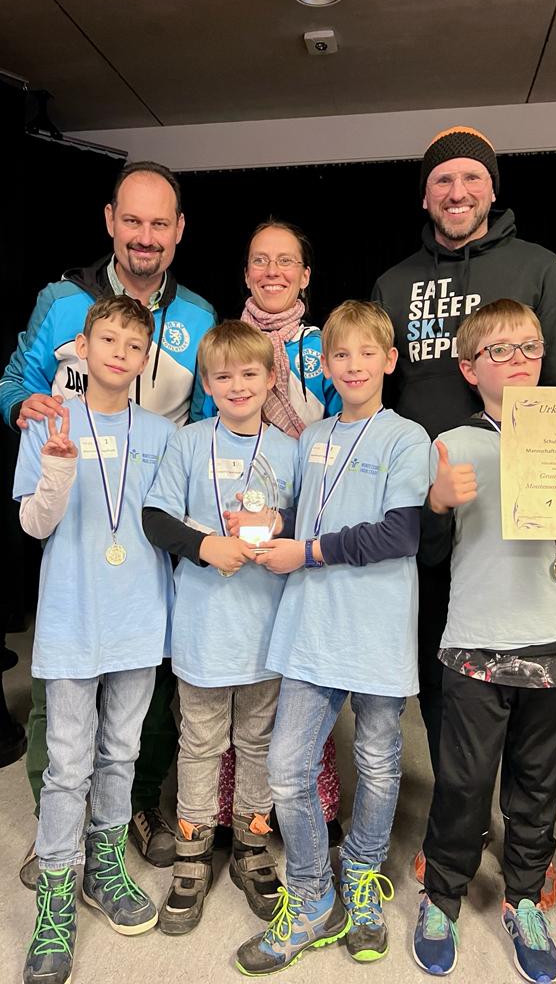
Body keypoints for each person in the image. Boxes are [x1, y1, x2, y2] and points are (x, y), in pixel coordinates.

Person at [411, 300, 556, 982]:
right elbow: (428, 556)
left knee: (540, 783)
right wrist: (435, 505)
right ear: (468, 367)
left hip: (554, 641)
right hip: (474, 645)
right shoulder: (452, 445)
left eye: (529, 348)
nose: (517, 360)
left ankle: (522, 895)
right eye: (500, 351)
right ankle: (443, 896)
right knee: (462, 780)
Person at [0, 161, 216, 883]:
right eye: (133, 220)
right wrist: (22, 413)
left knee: (140, 697)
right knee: (62, 699)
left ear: (179, 231)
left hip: (149, 525)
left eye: (160, 223)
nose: (145, 236)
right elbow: (16, 382)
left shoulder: (198, 318)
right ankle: (52, 830)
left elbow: (209, 420)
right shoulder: (63, 302)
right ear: (110, 221)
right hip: (75, 517)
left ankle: (124, 820)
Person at [372, 126, 556, 778]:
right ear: (425, 196)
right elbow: (375, 396)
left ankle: (527, 823)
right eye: (442, 180)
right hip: (431, 499)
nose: (456, 191)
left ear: (492, 188)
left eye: (470, 178)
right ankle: (460, 813)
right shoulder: (394, 282)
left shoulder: (537, 267)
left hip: (522, 505)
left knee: (530, 674)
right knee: (440, 665)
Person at [236, 301, 431, 973]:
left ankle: (362, 881)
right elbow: (301, 512)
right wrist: (268, 521)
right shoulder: (313, 436)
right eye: (339, 356)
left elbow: (399, 533)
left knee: (377, 763)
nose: (351, 366)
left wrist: (308, 551)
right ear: (324, 365)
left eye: (364, 354)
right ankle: (313, 896)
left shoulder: (405, 437)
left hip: (374, 626)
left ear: (389, 361)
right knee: (288, 769)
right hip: (311, 626)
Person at [14, 296, 176, 984]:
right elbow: (34, 526)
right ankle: (56, 895)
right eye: (106, 338)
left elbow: (173, 525)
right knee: (67, 763)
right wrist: (56, 470)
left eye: (132, 345)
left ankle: (104, 867)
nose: (118, 352)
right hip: (74, 618)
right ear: (83, 345)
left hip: (139, 619)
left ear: (145, 360)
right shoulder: (51, 419)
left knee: (121, 753)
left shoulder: (163, 434)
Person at [142, 321, 298, 935]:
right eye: (224, 375)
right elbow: (155, 518)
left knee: (258, 744)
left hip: (267, 631)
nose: (238, 385)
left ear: (269, 380)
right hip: (205, 630)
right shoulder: (188, 443)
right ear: (207, 383)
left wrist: (281, 522)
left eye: (250, 374)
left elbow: (309, 524)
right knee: (200, 745)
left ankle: (254, 850)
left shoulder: (290, 449)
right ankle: (191, 856)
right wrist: (206, 544)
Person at [213, 220, 343, 843]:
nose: (272, 272)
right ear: (245, 273)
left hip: (308, 516)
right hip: (237, 518)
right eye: (259, 260)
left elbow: (347, 427)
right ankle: (232, 812)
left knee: (300, 667)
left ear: (305, 275)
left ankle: (304, 801)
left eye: (285, 261)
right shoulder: (224, 341)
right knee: (244, 660)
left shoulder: (325, 345)